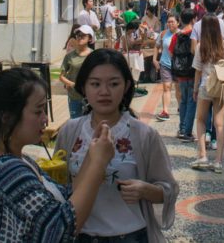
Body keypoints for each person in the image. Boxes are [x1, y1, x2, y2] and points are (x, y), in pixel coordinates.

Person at [0, 67, 114, 242]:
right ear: (6, 117)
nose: (45, 119)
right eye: (38, 111)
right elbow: (60, 230)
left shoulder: (18, 160)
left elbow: (67, 198)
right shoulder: (8, 171)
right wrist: (97, 165)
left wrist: (92, 156)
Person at [55, 49, 178, 243]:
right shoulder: (69, 132)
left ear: (127, 86)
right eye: (95, 84)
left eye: (113, 84)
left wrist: (145, 190)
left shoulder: (144, 135)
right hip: (79, 236)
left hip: (131, 236)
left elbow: (168, 188)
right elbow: (58, 187)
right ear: (84, 87)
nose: (104, 92)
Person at [191, 14, 224, 173]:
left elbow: (197, 71)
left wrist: (195, 90)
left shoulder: (201, 46)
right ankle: (218, 162)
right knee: (219, 124)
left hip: (206, 86)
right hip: (220, 87)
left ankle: (203, 156)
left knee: (201, 120)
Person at [169, 8, 197, 142]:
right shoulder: (194, 34)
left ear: (180, 20)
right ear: (193, 19)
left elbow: (170, 53)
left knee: (183, 101)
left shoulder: (176, 35)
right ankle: (187, 132)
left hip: (180, 73)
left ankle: (182, 128)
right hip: (193, 73)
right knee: (192, 101)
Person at [61, 25, 95, 118]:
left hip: (90, 97)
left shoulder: (94, 56)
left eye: (83, 35)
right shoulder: (69, 56)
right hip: (74, 96)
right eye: (78, 35)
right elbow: (61, 76)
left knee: (90, 124)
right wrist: (72, 84)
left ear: (90, 38)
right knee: (75, 123)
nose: (80, 37)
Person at [153, 14, 178, 121]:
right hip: (165, 64)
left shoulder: (182, 34)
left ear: (178, 23)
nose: (170, 24)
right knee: (166, 87)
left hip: (178, 66)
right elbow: (157, 46)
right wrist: (154, 60)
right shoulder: (163, 34)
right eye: (168, 22)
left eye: (172, 21)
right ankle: (165, 111)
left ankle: (181, 107)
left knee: (179, 89)